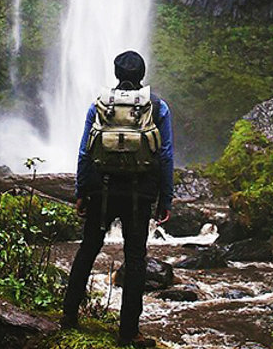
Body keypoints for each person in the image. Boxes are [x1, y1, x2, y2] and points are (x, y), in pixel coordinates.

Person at [61, 50, 174, 348]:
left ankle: (68, 317)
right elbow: (165, 154)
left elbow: (85, 151)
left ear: (115, 74)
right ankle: (128, 333)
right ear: (142, 75)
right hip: (140, 193)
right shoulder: (158, 107)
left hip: (103, 189)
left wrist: (81, 192)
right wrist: (166, 198)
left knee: (88, 249)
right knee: (135, 259)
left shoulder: (99, 106)